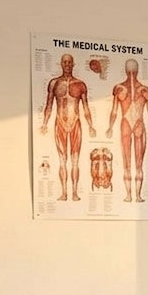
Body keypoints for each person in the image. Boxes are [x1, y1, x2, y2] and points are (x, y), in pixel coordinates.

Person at [40, 53, 95, 201]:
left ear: (73, 64)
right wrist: (44, 123)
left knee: (75, 160)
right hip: (60, 123)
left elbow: (85, 107)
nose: (67, 65)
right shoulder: (54, 83)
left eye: (69, 62)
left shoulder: (80, 84)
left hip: (75, 122)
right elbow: (49, 105)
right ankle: (64, 193)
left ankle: (75, 193)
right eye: (64, 62)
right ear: (61, 64)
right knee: (62, 160)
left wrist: (90, 125)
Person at [106, 58, 148, 203]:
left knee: (137, 163)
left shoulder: (143, 90)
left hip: (136, 124)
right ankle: (131, 195)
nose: (131, 74)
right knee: (128, 162)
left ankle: (135, 195)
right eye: (130, 71)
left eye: (132, 71)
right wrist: (110, 127)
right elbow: (114, 111)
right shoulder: (121, 89)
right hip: (128, 123)